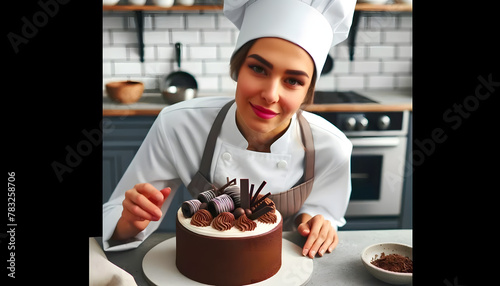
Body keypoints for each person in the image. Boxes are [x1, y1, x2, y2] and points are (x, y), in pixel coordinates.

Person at [103, 0, 356, 259]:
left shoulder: (331, 146)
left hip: (285, 269)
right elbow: (116, 214)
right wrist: (130, 221)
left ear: (307, 92)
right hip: (204, 263)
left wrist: (317, 223)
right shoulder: (178, 126)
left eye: (293, 81)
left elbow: (325, 213)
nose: (270, 95)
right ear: (237, 68)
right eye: (258, 69)